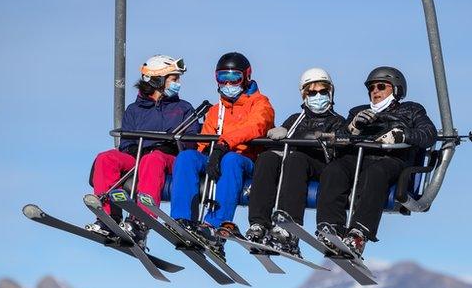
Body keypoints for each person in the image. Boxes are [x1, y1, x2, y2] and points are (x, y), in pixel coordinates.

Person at [315, 66, 437, 257]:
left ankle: (359, 233)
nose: (375, 92)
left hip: (390, 160)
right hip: (359, 158)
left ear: (396, 89)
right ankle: (331, 227)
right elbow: (338, 137)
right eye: (371, 88)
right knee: (334, 169)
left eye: (381, 86)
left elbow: (429, 134)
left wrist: (402, 135)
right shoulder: (358, 111)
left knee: (376, 173)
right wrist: (353, 127)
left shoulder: (412, 110)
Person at [87, 55, 201, 247]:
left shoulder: (183, 109)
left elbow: (192, 141)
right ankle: (109, 217)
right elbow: (126, 142)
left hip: (169, 158)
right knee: (106, 158)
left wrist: (170, 143)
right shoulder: (134, 110)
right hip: (138, 155)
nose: (178, 83)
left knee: (153, 159)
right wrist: (136, 149)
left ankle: (140, 220)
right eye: (174, 79)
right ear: (158, 80)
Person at [169, 52, 275, 258]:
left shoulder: (260, 103)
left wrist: (223, 144)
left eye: (234, 78)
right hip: (218, 155)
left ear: (246, 77)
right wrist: (208, 152)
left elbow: (257, 126)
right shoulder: (216, 110)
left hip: (246, 160)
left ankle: (215, 225)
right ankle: (183, 220)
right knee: (187, 157)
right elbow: (204, 141)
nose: (228, 83)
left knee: (231, 160)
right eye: (222, 78)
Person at [245, 68, 345, 255]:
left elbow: (336, 150)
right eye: (312, 92)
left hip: (320, 165)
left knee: (296, 159)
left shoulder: (338, 121)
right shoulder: (295, 119)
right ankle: (259, 223)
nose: (318, 96)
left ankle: (290, 226)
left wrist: (298, 136)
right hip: (294, 165)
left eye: (322, 92)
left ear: (330, 93)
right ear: (304, 95)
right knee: (267, 158)